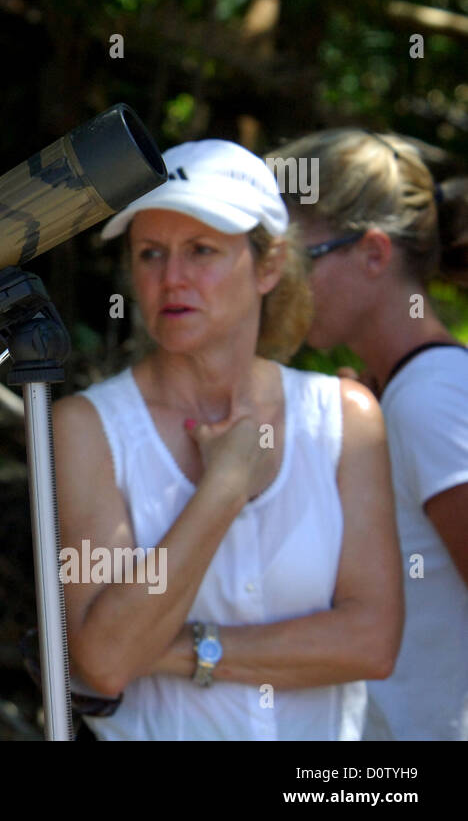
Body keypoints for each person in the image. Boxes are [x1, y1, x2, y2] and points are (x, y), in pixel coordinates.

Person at [52, 139, 402, 740]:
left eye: (203, 250)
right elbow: (107, 662)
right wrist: (223, 488)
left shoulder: (344, 417)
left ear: (269, 266)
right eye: (150, 254)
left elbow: (373, 642)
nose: (172, 278)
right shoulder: (87, 427)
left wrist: (176, 649)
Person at [268, 128, 468, 740]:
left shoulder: (431, 398)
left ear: (375, 253)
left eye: (302, 258)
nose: (279, 281)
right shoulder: (400, 396)